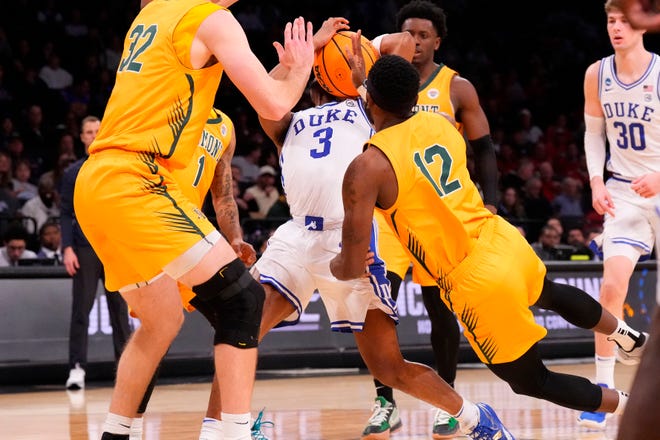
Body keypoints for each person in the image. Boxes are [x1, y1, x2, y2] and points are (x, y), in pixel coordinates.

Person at [331, 53, 649, 440]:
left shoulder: (366, 168)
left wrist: (331, 265)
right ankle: (627, 336)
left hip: (475, 279)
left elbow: (349, 267)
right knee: (550, 293)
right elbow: (393, 117)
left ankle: (636, 405)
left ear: (370, 102)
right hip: (500, 237)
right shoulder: (441, 122)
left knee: (533, 379)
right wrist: (366, 84)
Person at [72, 0, 315, 438]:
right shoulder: (211, 18)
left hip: (98, 182)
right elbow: (277, 105)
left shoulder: (152, 16)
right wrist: (301, 67)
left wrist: (281, 74)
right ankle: (232, 432)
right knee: (243, 302)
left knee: (162, 320)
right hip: (138, 182)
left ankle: (115, 433)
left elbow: (257, 94)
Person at [365, 1, 499, 437]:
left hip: (434, 219)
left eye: (424, 35)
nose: (416, 42)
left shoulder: (456, 88)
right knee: (378, 309)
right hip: (388, 217)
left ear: (437, 40)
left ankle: (450, 402)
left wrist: (492, 201)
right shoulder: (378, 81)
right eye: (410, 34)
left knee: (441, 316)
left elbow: (484, 148)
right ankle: (384, 402)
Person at [128, 108, 263, 440]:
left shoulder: (224, 125)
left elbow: (223, 194)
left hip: (191, 235)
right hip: (154, 229)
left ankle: (217, 428)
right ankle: (129, 428)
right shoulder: (166, 108)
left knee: (238, 313)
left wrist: (234, 237)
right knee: (156, 333)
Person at [579, 0, 659, 429]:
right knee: (611, 287)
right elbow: (594, 135)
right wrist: (595, 181)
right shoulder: (597, 73)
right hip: (623, 193)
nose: (616, 28)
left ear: (642, 25)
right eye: (610, 20)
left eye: (624, 21)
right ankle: (604, 392)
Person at [60, 115, 131, 391]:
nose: (93, 135)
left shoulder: (119, 167)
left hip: (114, 247)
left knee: (120, 312)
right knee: (81, 310)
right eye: (88, 131)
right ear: (81, 136)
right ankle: (76, 368)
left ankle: (126, 369)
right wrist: (67, 247)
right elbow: (66, 214)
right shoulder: (72, 173)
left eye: (97, 130)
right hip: (85, 248)